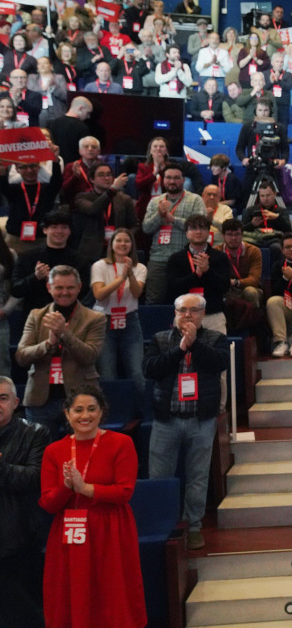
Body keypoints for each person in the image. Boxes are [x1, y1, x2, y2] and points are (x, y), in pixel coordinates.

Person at [39, 385, 146, 628]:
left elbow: (124, 492)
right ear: (67, 414)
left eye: (91, 409)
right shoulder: (53, 451)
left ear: (101, 413)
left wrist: (85, 488)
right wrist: (67, 486)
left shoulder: (121, 443)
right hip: (70, 531)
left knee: (112, 592)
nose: (84, 415)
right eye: (78, 410)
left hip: (110, 529)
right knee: (73, 592)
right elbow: (47, 502)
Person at [145, 292, 227, 550]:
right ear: (175, 313)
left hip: (200, 420)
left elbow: (219, 363)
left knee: (198, 477)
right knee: (159, 476)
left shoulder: (216, 338)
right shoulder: (159, 338)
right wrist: (181, 348)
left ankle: (193, 527)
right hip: (166, 420)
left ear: (203, 315)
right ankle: (163, 525)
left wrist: (194, 344)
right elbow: (150, 369)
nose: (187, 315)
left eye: (193, 311)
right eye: (182, 310)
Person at [16, 265, 106, 438]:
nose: (65, 292)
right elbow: (21, 356)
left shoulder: (95, 318)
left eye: (70, 287)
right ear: (49, 288)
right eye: (59, 287)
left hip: (81, 400)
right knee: (40, 456)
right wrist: (48, 344)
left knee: (82, 454)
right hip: (40, 399)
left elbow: (90, 356)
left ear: (79, 288)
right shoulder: (36, 315)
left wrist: (64, 334)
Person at [0, 374, 50, 627]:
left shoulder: (35, 433)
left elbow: (33, 478)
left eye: (3, 398)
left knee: (27, 613)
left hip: (20, 537)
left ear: (16, 402)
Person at [91, 228, 146, 393]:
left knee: (137, 372)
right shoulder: (100, 265)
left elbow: (137, 293)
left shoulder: (140, 267)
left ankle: (142, 414)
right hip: (103, 322)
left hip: (130, 321)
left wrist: (130, 275)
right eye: (119, 240)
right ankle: (112, 414)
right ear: (111, 244)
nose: (123, 244)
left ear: (132, 245)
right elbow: (99, 294)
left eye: (127, 241)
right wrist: (120, 279)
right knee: (108, 374)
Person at [141, 163, 206, 304]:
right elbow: (146, 228)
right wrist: (159, 215)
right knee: (153, 300)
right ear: (163, 179)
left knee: (187, 302)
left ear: (183, 180)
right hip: (159, 258)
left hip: (186, 258)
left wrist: (173, 219)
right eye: (168, 177)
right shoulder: (155, 201)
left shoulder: (195, 200)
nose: (172, 181)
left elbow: (200, 228)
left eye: (176, 178)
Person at [12, 210, 91, 313]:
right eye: (54, 227)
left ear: (70, 231)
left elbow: (84, 291)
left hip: (69, 315)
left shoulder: (80, 260)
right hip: (34, 315)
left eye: (64, 227)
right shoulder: (28, 257)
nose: (59, 231)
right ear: (45, 230)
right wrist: (35, 277)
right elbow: (15, 290)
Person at [166, 214, 232, 333]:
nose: (198, 232)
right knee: (182, 350)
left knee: (217, 350)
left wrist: (207, 271)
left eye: (202, 228)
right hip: (185, 315)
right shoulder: (176, 258)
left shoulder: (220, 257)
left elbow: (225, 286)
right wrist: (195, 275)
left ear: (208, 232)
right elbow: (172, 288)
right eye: (193, 228)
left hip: (213, 314)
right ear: (186, 233)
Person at [70, 162, 136, 264]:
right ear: (91, 179)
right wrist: (112, 190)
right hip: (91, 252)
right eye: (101, 175)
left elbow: (134, 225)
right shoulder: (82, 197)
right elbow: (93, 209)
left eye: (109, 175)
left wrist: (124, 240)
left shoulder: (124, 199)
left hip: (118, 250)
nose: (106, 178)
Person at [2, 156, 63, 253]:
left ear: (39, 167)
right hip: (15, 239)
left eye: (33, 166)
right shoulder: (13, 190)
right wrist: (2, 168)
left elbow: (57, 180)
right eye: (23, 167)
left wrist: (55, 161)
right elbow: (2, 183)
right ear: (17, 170)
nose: (29, 170)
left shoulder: (47, 189)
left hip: (41, 239)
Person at [242, 181, 292, 250]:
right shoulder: (250, 210)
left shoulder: (282, 211)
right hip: (254, 238)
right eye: (262, 196)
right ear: (259, 196)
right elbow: (241, 230)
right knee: (244, 246)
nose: (265, 199)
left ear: (275, 194)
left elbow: (288, 229)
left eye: (268, 195)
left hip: (274, 239)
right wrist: (252, 224)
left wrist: (276, 218)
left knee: (276, 247)